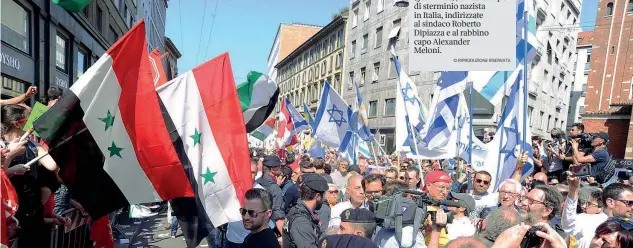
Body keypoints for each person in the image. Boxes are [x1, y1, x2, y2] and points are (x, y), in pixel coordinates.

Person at [561, 172, 607, 248]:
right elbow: (567, 224)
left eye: (589, 204)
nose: (584, 206)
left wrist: (574, 190)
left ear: (600, 208)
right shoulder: (583, 218)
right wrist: (573, 190)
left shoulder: (605, 220)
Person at [283, 174, 328, 248]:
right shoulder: (301, 221)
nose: (325, 199)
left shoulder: (298, 209)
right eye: (324, 195)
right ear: (318, 196)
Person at [256, 156, 286, 235]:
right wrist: (286, 238)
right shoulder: (274, 188)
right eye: (280, 166)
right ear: (273, 169)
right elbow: (278, 215)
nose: (281, 168)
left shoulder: (257, 182)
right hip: (269, 229)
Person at [423, 170, 452, 247]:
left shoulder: (439, 206)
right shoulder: (421, 208)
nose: (445, 192)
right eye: (441, 188)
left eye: (448, 188)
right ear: (428, 186)